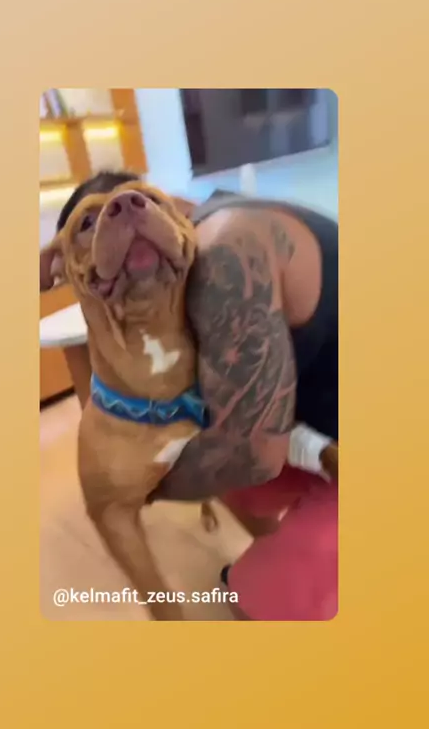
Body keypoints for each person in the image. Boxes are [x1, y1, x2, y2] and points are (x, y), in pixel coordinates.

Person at [55, 170, 338, 619]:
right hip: (320, 414)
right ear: (59, 267)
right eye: (89, 223)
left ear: (179, 213)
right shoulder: (195, 256)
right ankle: (280, 550)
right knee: (235, 475)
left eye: (144, 200)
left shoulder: (223, 255)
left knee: (259, 595)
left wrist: (133, 486)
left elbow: (254, 455)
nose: (122, 211)